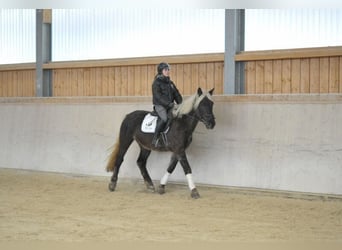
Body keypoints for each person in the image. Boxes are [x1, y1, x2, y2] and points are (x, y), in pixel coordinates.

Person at [151, 62, 182, 146]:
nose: (168, 71)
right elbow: (158, 96)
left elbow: (176, 93)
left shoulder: (170, 83)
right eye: (166, 70)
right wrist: (168, 104)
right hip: (160, 106)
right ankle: (156, 138)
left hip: (170, 105)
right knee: (164, 118)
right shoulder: (156, 83)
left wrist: (181, 103)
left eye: (168, 69)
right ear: (161, 71)